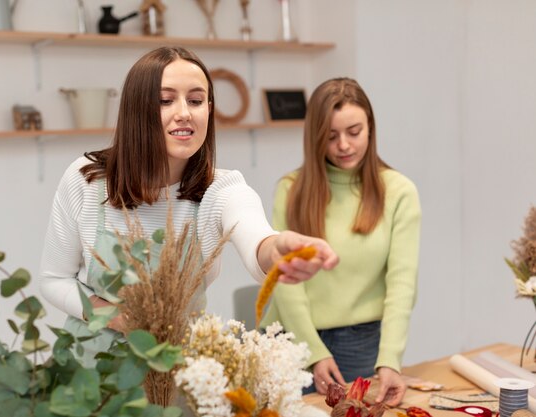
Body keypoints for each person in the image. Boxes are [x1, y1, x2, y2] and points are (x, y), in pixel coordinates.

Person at [38, 46, 339, 366]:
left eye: (195, 101)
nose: (184, 112)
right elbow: (53, 280)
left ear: (209, 109)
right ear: (137, 109)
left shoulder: (221, 189)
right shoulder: (87, 179)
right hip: (90, 372)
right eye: (166, 100)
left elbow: (256, 237)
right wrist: (118, 318)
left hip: (177, 370)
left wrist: (279, 249)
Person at [260, 77, 421, 406]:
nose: (344, 145)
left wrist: (390, 360)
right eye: (331, 136)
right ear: (315, 137)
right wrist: (313, 352)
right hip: (290, 342)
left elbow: (402, 283)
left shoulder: (399, 191)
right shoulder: (290, 190)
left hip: (361, 344)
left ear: (370, 128)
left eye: (354, 132)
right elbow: (286, 281)